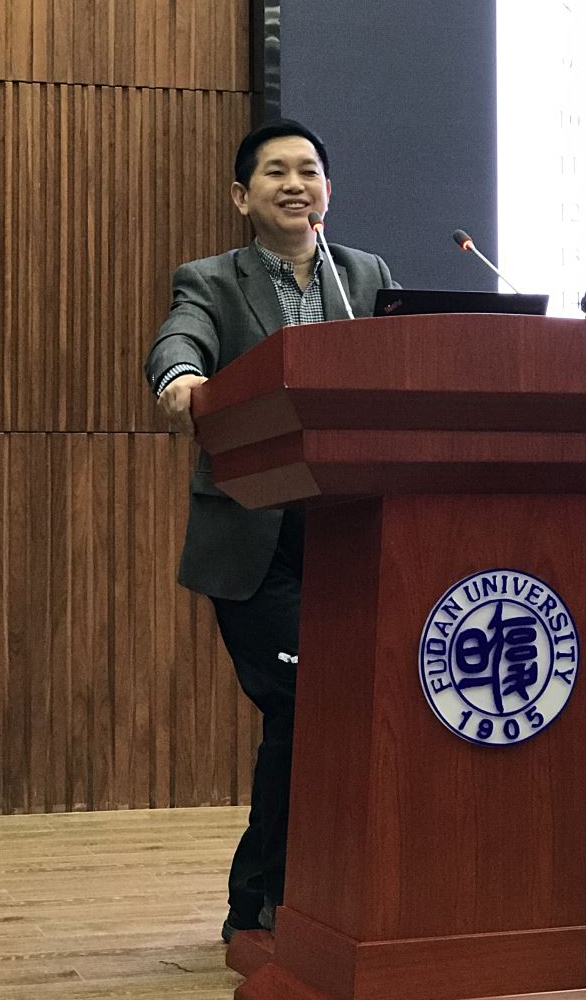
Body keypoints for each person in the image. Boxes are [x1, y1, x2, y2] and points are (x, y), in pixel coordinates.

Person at [144, 118, 397, 942]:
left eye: (309, 171)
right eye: (277, 172)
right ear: (241, 196)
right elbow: (180, 338)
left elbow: (406, 358)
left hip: (350, 530)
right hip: (256, 539)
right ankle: (271, 895)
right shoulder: (211, 279)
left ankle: (277, 899)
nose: (296, 184)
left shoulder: (364, 275)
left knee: (322, 710)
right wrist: (182, 375)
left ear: (329, 190)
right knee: (307, 696)